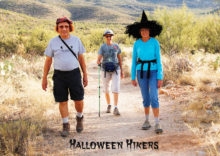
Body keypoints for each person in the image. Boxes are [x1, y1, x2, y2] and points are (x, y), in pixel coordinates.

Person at [42, 17, 88, 137]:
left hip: (74, 73)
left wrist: (85, 74)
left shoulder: (76, 40)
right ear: (57, 28)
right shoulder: (53, 42)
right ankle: (65, 125)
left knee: (78, 99)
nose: (64, 29)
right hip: (59, 75)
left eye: (66, 26)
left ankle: (79, 117)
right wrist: (44, 78)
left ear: (70, 28)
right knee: (62, 100)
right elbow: (48, 61)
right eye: (61, 26)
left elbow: (81, 59)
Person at [125, 11, 163, 134]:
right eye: (142, 30)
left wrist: (160, 76)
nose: (144, 32)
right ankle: (146, 120)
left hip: (153, 71)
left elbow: (159, 60)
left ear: (150, 31)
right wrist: (132, 77)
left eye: (146, 30)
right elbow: (134, 61)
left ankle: (157, 123)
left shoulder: (155, 42)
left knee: (154, 97)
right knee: (145, 97)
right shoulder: (137, 43)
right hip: (140, 73)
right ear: (139, 32)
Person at [97, 30, 123, 115]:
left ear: (112, 36)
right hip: (105, 69)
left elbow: (119, 59)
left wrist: (122, 71)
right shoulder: (102, 47)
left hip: (116, 69)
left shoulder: (116, 46)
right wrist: (98, 61)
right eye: (107, 36)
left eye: (110, 36)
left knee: (115, 88)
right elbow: (99, 58)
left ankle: (116, 107)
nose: (109, 37)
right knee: (106, 89)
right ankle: (109, 105)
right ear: (105, 37)